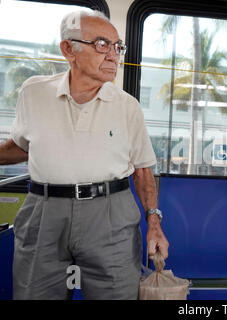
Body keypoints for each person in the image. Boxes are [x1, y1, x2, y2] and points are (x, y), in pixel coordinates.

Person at [0, 10, 169, 300]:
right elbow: (23, 146)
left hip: (110, 212)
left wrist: (154, 223)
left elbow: (142, 170)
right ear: (69, 49)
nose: (114, 55)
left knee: (116, 293)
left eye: (118, 47)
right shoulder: (34, 92)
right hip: (44, 208)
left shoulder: (127, 106)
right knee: (33, 293)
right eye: (102, 44)